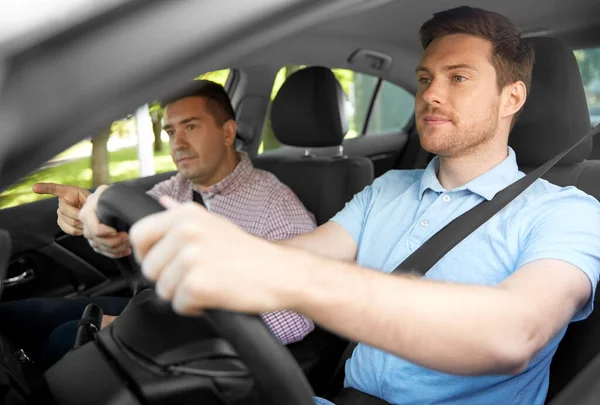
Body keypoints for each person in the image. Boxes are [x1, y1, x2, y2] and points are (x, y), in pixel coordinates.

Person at [114, 7, 600, 405]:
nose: (430, 93)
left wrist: (285, 278)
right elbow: (296, 254)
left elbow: (514, 334)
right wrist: (136, 233)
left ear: (511, 97)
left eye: (458, 78)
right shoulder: (387, 190)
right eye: (426, 77)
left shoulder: (568, 212)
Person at [0, 80, 316, 370]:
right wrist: (91, 218)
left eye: (191, 127)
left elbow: (299, 311)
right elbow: (131, 222)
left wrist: (165, 332)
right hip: (155, 305)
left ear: (227, 132)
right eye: (170, 131)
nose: (177, 144)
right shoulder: (178, 187)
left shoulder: (276, 207)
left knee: (66, 338)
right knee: (15, 318)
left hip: (202, 348)